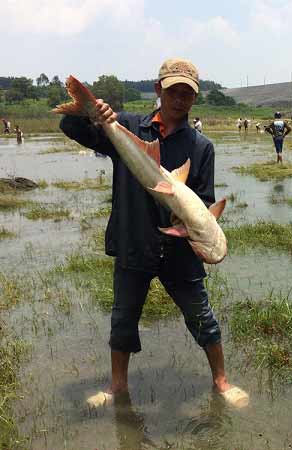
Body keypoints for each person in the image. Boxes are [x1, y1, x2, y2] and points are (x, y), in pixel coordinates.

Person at [59, 58, 248, 409]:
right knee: (123, 319)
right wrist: (89, 112)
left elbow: (204, 201)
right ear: (159, 89)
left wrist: (192, 229)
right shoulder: (126, 126)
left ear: (195, 97)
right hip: (135, 241)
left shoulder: (201, 147)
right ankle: (117, 387)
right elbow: (71, 129)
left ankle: (221, 381)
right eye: (173, 90)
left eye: (186, 93)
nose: (179, 99)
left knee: (203, 318)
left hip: (179, 251)